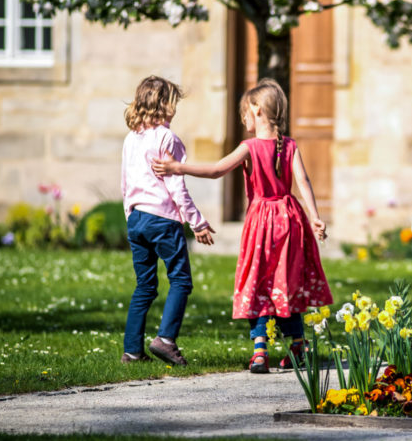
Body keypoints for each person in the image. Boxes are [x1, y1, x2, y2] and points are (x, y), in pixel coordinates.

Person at [152, 78, 333, 373]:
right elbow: (304, 181)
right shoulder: (290, 145)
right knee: (284, 285)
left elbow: (215, 170)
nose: (243, 118)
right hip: (290, 219)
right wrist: (314, 216)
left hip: (262, 224)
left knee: (259, 283)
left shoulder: (249, 147)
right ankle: (298, 347)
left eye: (245, 112)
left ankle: (260, 351)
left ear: (258, 110)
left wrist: (177, 167)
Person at [121, 75, 215, 366]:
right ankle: (165, 340)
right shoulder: (167, 138)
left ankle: (132, 351)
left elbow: (125, 182)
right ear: (163, 104)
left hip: (136, 218)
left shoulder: (130, 138)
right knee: (181, 280)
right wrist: (196, 222)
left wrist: (130, 215)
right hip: (162, 219)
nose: (175, 108)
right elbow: (176, 186)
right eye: (173, 102)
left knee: (145, 286)